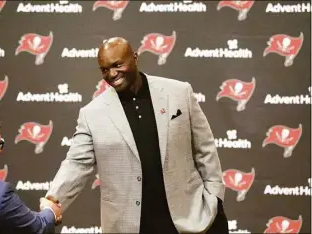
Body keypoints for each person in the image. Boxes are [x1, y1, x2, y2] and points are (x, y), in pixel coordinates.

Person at [45, 37, 228, 233]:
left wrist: (214, 196)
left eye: (117, 65)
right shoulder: (92, 114)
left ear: (135, 57)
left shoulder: (179, 92)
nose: (112, 74)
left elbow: (205, 147)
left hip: (190, 217)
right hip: (130, 225)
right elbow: (76, 163)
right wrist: (52, 201)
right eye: (105, 69)